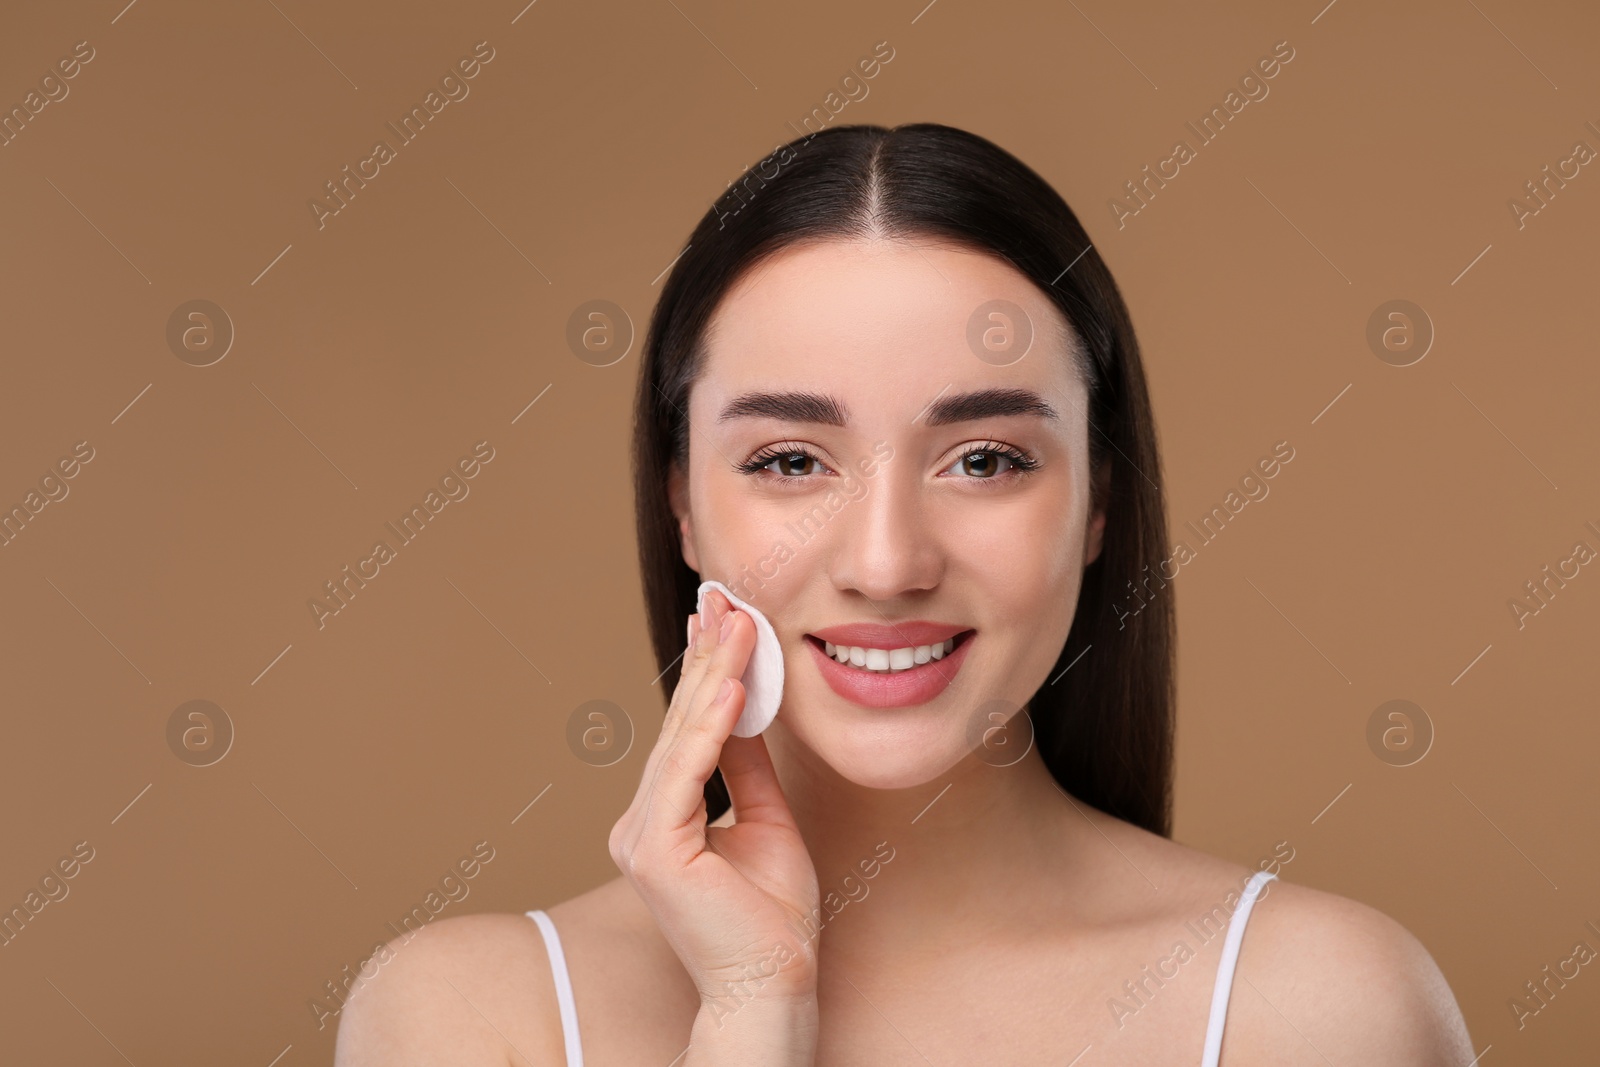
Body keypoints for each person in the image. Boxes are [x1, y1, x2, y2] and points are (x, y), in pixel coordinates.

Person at [334, 123, 1475, 1064]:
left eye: (983, 458)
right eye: (790, 460)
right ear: (682, 501)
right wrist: (748, 1012)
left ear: (1096, 504)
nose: (886, 564)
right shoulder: (466, 1018)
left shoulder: (1319, 1007)